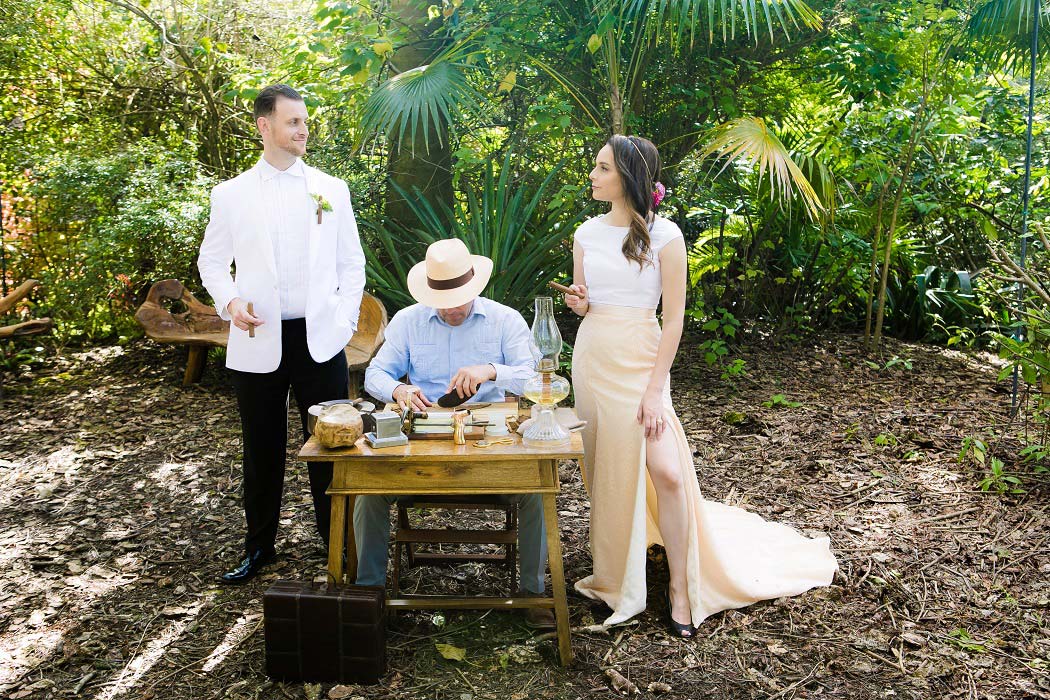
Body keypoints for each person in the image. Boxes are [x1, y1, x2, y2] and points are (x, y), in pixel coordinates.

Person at [565, 135, 837, 637]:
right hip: (595, 358)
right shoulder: (585, 233)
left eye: (602, 168)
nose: (593, 176)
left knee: (667, 471)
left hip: (644, 360)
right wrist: (579, 303)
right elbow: (585, 303)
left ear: (627, 177)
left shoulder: (666, 235)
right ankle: (613, 574)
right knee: (607, 467)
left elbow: (674, 320)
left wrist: (653, 390)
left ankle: (682, 590)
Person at [197, 84, 366, 583]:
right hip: (257, 338)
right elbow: (211, 260)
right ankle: (259, 548)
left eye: (305, 121)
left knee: (331, 444)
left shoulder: (331, 189)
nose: (303, 129)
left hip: (320, 339)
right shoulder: (230, 194)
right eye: (293, 122)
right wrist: (229, 303)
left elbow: (351, 262)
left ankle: (334, 542)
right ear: (263, 126)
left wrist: (344, 321)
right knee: (261, 446)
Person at [357, 238, 555, 629]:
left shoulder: (505, 320)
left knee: (535, 490)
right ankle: (369, 596)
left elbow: (535, 376)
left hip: (490, 442)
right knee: (366, 490)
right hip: (424, 443)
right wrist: (398, 389)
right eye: (442, 299)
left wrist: (491, 370)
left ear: (475, 287)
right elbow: (374, 374)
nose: (451, 308)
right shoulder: (408, 320)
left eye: (459, 298)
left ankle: (534, 595)